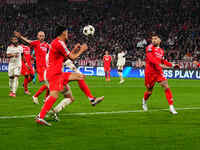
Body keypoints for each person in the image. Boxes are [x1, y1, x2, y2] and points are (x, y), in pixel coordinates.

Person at [36, 25, 104, 126]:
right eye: (67, 32)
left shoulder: (56, 43)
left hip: (56, 73)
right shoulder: (59, 43)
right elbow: (71, 57)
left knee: (73, 90)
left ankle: (52, 113)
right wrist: (82, 50)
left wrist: (75, 50)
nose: (68, 34)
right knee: (54, 95)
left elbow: (65, 58)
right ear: (63, 32)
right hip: (54, 74)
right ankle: (40, 117)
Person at [142, 33, 179, 114]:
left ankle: (171, 107)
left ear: (159, 40)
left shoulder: (161, 51)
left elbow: (163, 60)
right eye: (152, 39)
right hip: (150, 73)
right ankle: (144, 101)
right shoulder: (149, 47)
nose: (153, 40)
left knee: (166, 86)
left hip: (158, 72)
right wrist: (160, 64)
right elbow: (151, 59)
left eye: (155, 38)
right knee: (149, 91)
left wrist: (172, 65)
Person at [14, 31, 49, 104]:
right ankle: (36, 96)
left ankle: (46, 98)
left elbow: (52, 49)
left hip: (46, 66)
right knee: (49, 83)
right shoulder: (36, 43)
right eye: (40, 36)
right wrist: (20, 36)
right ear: (37, 36)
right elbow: (29, 41)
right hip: (40, 67)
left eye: (43, 36)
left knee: (50, 82)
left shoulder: (46, 45)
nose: (42, 37)